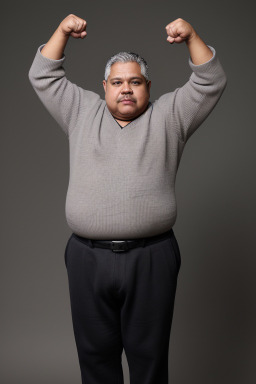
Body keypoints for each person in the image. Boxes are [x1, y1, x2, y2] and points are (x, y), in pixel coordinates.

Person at [28, 13, 227, 384]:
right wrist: (61, 32)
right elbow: (43, 76)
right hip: (87, 258)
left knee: (149, 362)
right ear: (103, 87)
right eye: (117, 82)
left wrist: (192, 36)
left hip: (152, 257)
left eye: (135, 82)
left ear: (148, 86)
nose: (126, 89)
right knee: (95, 359)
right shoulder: (81, 112)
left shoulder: (170, 117)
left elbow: (211, 80)